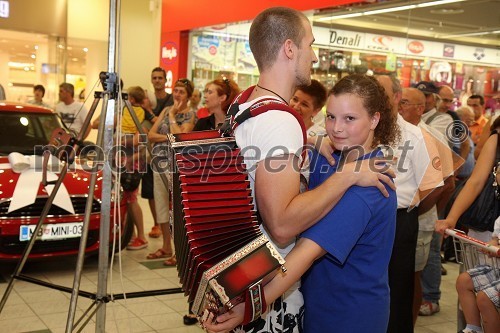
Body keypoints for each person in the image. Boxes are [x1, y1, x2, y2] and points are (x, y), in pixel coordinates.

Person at [202, 7, 396, 333]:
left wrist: (250, 305)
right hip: (294, 296)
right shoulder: (318, 150)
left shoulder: (244, 104)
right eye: (331, 117)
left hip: (346, 312)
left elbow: (305, 253)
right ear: (290, 48)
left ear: (374, 119)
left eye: (349, 119)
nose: (336, 128)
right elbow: (284, 223)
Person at [377, 74, 444, 333]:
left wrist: (410, 212)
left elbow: (436, 185)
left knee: (399, 288)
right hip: (364, 217)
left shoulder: (416, 135)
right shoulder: (362, 128)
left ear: (396, 98)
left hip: (399, 219)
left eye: (380, 92)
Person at [399, 87, 454, 325]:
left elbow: (446, 184)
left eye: (403, 103)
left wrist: (420, 211)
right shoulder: (396, 131)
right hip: (400, 220)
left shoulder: (429, 136)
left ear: (420, 108)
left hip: (419, 222)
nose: (398, 107)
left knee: (412, 280)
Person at [147, 78, 196, 264]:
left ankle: (179, 250)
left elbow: (180, 139)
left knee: (177, 208)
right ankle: (166, 246)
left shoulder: (191, 115)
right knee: (160, 205)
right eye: (175, 91)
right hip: (158, 163)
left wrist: (173, 117)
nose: (177, 94)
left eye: (181, 92)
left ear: (188, 96)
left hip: (176, 166)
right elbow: (151, 135)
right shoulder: (166, 111)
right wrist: (168, 135)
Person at [455, 215, 500, 333]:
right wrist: (493, 243)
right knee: (464, 281)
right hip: (497, 267)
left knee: (484, 298)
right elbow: (496, 236)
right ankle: (473, 329)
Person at [120, 86, 149, 251]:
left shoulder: (141, 119)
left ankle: (141, 236)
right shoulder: (128, 117)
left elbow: (141, 142)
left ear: (131, 100)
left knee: (131, 199)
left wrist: (123, 141)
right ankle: (130, 234)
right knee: (126, 199)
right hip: (125, 161)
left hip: (134, 163)